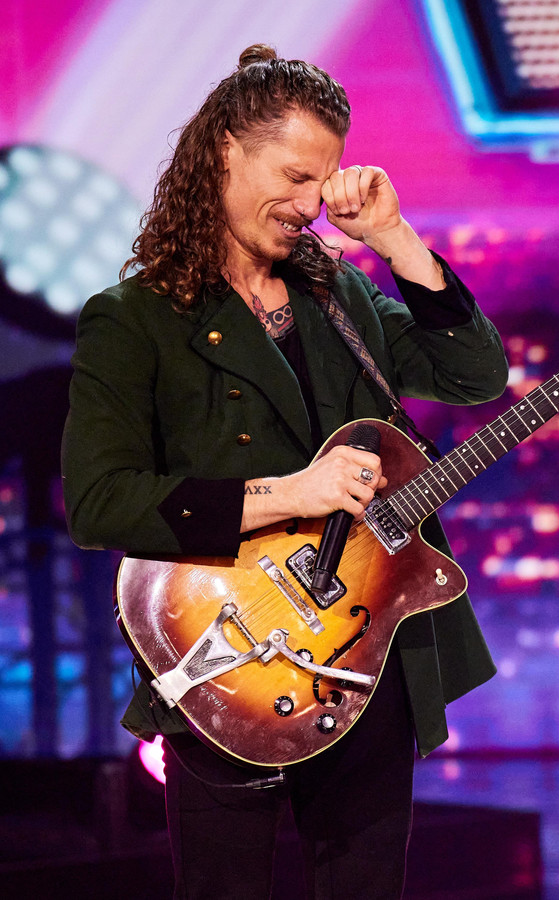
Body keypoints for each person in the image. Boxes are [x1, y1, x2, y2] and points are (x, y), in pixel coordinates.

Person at [61, 45, 508, 898]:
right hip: (227, 661)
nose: (311, 205)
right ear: (226, 152)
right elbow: (98, 502)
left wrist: (393, 238)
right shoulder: (135, 319)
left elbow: (474, 376)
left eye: (322, 181)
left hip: (361, 655)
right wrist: (286, 494)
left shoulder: (337, 295)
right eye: (295, 177)